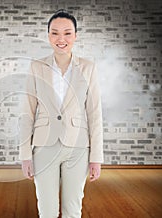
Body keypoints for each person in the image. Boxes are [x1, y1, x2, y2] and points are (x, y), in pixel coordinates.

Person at [19, 9, 104, 218]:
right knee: (46, 211)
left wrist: (96, 158)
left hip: (78, 148)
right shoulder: (37, 66)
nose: (61, 39)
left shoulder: (88, 67)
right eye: (55, 33)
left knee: (72, 210)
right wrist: (24, 155)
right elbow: (27, 112)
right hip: (43, 148)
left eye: (67, 33)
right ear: (48, 36)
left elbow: (94, 113)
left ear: (75, 36)